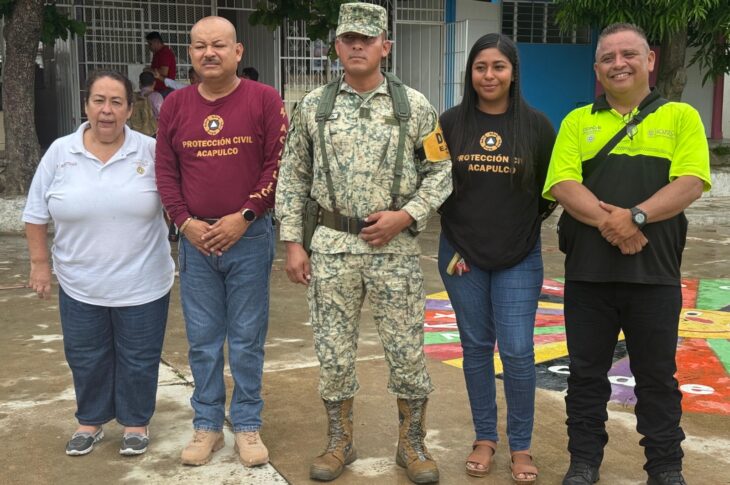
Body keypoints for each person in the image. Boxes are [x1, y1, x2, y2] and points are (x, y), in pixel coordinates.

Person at [276, 3, 452, 483]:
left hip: (393, 250)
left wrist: (406, 216)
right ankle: (340, 441)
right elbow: (293, 176)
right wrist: (293, 242)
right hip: (332, 247)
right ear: (336, 46)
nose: (357, 46)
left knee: (407, 350)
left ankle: (412, 444)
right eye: (349, 39)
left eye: (367, 39)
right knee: (333, 352)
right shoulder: (314, 106)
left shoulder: (413, 106)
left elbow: (441, 172)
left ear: (384, 47)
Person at [543, 23, 711, 485]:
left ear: (650, 60)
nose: (618, 64)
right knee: (585, 377)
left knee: (657, 379)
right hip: (588, 277)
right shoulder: (577, 121)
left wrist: (635, 217)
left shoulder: (681, 117)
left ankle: (665, 467)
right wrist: (616, 226)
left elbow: (691, 182)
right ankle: (583, 463)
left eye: (628, 54)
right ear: (597, 68)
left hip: (655, 275)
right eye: (608, 57)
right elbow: (563, 184)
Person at [155, 16, 287, 468]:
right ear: (190, 54)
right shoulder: (175, 105)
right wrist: (184, 222)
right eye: (199, 46)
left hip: (248, 238)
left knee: (247, 339)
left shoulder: (264, 99)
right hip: (196, 241)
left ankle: (247, 424)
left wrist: (245, 216)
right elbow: (165, 171)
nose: (208, 53)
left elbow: (277, 165)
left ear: (237, 51)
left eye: (218, 45)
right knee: (203, 341)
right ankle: (208, 424)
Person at [22, 70, 175, 457]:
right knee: (85, 356)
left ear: (129, 109)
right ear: (86, 105)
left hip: (143, 281)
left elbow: (177, 202)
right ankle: (89, 422)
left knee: (139, 358)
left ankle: (135, 423)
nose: (107, 110)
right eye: (99, 101)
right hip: (80, 282)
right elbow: (35, 214)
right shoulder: (61, 152)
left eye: (116, 102)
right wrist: (39, 263)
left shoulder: (151, 151)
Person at [438, 33, 555, 484]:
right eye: (480, 67)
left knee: (518, 350)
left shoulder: (537, 126)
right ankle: (484, 438)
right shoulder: (449, 123)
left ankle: (521, 445)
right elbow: (432, 182)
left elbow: (550, 190)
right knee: (475, 347)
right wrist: (462, 238)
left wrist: (518, 229)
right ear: (470, 72)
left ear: (513, 72)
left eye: (498, 67)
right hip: (461, 256)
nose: (489, 75)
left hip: (519, 255)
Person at [128, 71, 162, 136]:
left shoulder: (134, 97)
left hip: (136, 131)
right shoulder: (157, 96)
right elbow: (161, 114)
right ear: (154, 83)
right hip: (152, 132)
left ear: (140, 83)